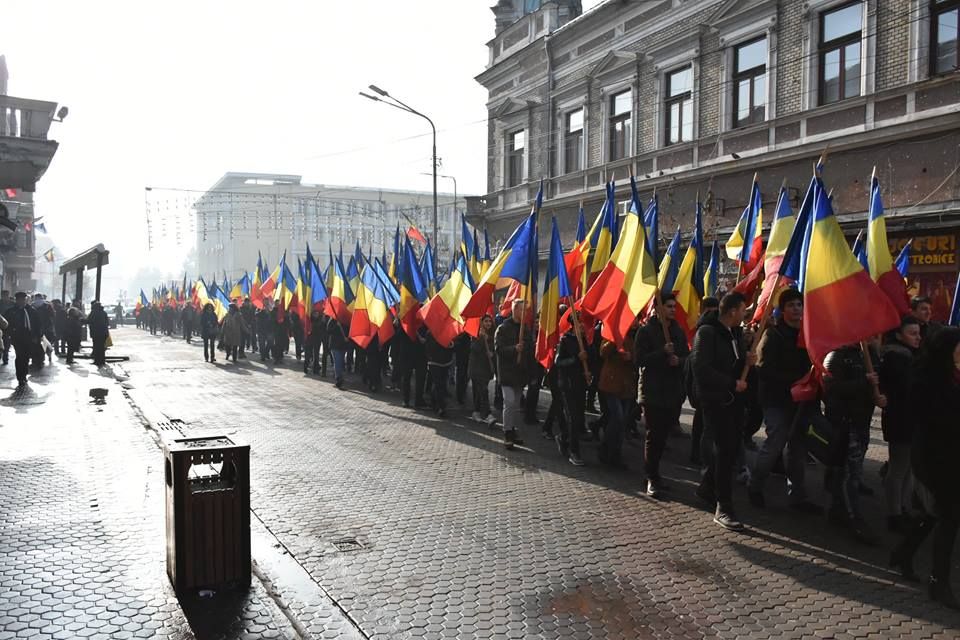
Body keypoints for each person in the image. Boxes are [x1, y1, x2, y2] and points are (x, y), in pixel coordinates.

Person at [889, 327, 960, 609]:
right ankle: (938, 583)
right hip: (933, 457)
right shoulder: (925, 377)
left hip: (953, 454)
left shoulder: (954, 374)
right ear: (946, 349)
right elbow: (929, 418)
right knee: (949, 517)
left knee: (932, 514)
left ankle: (903, 554)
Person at [748, 289, 826, 513]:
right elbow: (762, 369)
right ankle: (755, 487)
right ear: (783, 310)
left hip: (803, 402)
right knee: (774, 445)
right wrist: (795, 381)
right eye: (791, 305)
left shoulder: (808, 334)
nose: (796, 309)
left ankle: (798, 497)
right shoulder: (773, 335)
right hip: (778, 401)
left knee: (798, 450)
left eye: (799, 305)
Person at [692, 292, 753, 531]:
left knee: (729, 448)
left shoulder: (734, 334)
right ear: (732, 311)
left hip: (733, 403)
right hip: (715, 402)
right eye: (743, 310)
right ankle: (723, 506)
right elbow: (701, 368)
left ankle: (707, 488)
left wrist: (748, 361)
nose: (745, 314)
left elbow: (734, 364)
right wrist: (731, 383)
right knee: (724, 453)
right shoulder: (706, 333)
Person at [823, 343, 884, 544]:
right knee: (851, 473)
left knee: (846, 470)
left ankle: (837, 509)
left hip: (862, 421)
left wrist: (878, 393)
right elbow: (830, 387)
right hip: (844, 422)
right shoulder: (835, 356)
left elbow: (877, 381)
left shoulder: (869, 353)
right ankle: (854, 518)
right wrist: (863, 382)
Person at [635, 293, 689, 497]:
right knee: (653, 435)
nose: (673, 310)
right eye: (668, 306)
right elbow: (639, 360)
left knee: (662, 437)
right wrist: (662, 353)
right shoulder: (646, 331)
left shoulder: (678, 331)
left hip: (672, 392)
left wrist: (679, 361)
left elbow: (686, 356)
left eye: (674, 306)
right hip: (652, 391)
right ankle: (651, 478)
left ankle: (653, 472)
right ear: (658, 308)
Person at [880, 316, 921, 533]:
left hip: (909, 418)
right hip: (901, 418)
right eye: (912, 334)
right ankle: (894, 514)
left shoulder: (908, 355)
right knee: (898, 468)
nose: (918, 338)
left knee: (908, 469)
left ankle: (902, 508)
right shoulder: (897, 357)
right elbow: (907, 390)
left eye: (918, 333)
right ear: (898, 335)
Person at [598, 321, 639, 469]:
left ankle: (615, 454)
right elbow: (603, 352)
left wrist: (632, 358)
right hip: (611, 384)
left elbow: (639, 359)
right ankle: (605, 449)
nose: (634, 322)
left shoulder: (636, 335)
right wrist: (615, 341)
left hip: (627, 386)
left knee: (622, 422)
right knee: (618, 418)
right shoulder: (613, 333)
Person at [554, 314, 589, 466]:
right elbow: (558, 361)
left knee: (578, 418)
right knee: (573, 418)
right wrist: (576, 359)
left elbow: (590, 359)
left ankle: (563, 437)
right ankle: (574, 452)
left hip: (580, 384)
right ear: (572, 324)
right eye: (579, 323)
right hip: (568, 385)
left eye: (583, 323)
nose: (582, 326)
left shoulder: (585, 341)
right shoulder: (565, 340)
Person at [688, 296, 719, 464]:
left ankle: (698, 453)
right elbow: (696, 363)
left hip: (704, 387)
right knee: (704, 425)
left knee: (702, 423)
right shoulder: (704, 330)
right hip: (703, 386)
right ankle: (701, 457)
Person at [496, 300, 529, 450]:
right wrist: (514, 349)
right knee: (509, 402)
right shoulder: (503, 328)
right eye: (523, 310)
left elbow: (529, 350)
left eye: (526, 311)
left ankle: (512, 428)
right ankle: (507, 432)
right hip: (507, 373)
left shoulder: (526, 329)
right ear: (515, 310)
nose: (525, 313)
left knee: (515, 404)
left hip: (520, 373)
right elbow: (499, 350)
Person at [469, 314, 496, 423]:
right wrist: (480, 339)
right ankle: (488, 414)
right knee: (484, 391)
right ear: (481, 323)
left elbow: (495, 349)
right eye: (486, 321)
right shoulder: (476, 335)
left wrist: (492, 354)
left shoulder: (492, 335)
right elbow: (473, 349)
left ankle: (476, 412)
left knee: (479, 391)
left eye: (490, 321)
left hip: (486, 368)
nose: (488, 323)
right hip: (477, 368)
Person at [426, 332, 453, 416]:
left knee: (441, 384)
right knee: (439, 384)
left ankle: (434, 402)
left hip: (446, 362)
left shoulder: (449, 332)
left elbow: (455, 345)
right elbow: (429, 348)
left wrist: (451, 345)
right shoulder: (430, 333)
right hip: (434, 362)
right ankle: (441, 407)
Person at [327, 317, 349, 388]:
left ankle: (339, 377)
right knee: (337, 362)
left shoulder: (346, 319)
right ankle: (338, 378)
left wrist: (347, 337)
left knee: (339, 361)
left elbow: (349, 330)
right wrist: (336, 326)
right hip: (335, 345)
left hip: (342, 345)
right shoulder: (333, 319)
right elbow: (328, 330)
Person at [87, 301, 110, 367]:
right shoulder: (104, 313)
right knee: (102, 347)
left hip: (96, 333)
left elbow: (89, 320)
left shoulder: (93, 312)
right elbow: (107, 323)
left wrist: (81, 320)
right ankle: (102, 361)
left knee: (96, 347)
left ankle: (97, 361)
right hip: (104, 333)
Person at [304, 309, 326, 374]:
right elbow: (312, 326)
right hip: (309, 339)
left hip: (317, 339)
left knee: (316, 354)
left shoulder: (321, 319)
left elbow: (323, 329)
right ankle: (306, 366)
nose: (316, 314)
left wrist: (323, 321)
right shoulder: (309, 319)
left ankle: (315, 369)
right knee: (308, 354)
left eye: (317, 313)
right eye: (315, 313)